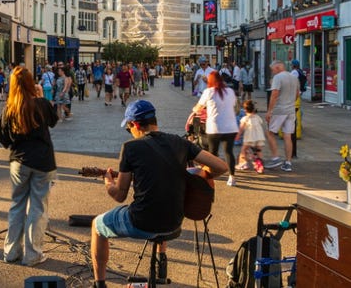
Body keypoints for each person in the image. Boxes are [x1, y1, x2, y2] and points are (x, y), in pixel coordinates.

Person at [90, 100, 228, 288]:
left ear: (135, 125)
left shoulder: (131, 148)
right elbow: (221, 167)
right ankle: (161, 265)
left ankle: (100, 284)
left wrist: (108, 181)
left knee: (97, 226)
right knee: (163, 200)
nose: (130, 132)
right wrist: (196, 178)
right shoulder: (180, 143)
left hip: (142, 222)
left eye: (129, 127)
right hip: (174, 224)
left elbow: (119, 195)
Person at [0, 66, 58, 267]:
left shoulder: (10, 108)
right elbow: (54, 121)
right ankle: (33, 255)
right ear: (32, 83)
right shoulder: (41, 104)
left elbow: (2, 139)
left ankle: (11, 252)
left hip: (18, 161)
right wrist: (41, 97)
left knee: (17, 206)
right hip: (42, 161)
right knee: (38, 208)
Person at [193, 70, 239, 186]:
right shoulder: (230, 91)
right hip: (230, 127)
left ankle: (211, 175)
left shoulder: (209, 92)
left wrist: (195, 110)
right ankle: (232, 177)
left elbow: (198, 108)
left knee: (212, 153)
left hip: (215, 127)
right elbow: (235, 108)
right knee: (229, 152)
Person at [265, 60, 299, 172]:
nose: (273, 72)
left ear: (278, 67)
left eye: (273, 69)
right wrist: (290, 103)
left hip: (279, 110)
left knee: (270, 133)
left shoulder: (278, 78)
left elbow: (274, 94)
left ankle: (275, 157)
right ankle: (288, 162)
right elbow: (297, 94)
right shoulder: (294, 77)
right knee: (287, 136)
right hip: (291, 110)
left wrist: (269, 111)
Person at [235, 100, 266, 173]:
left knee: (243, 150)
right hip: (259, 137)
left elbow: (241, 129)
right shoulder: (257, 117)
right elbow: (261, 123)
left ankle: (243, 163)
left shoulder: (245, 119)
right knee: (258, 151)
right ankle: (260, 166)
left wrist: (237, 136)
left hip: (249, 137)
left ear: (245, 110)